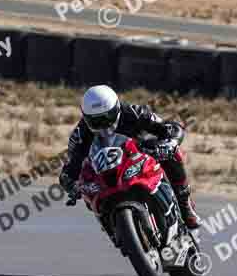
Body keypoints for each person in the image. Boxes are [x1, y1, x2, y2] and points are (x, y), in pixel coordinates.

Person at [58, 84, 202, 229]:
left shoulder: (133, 112)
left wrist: (170, 142)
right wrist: (71, 185)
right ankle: (113, 227)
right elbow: (69, 168)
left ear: (116, 109)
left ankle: (185, 205)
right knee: (88, 188)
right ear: (86, 118)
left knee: (173, 153)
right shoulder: (79, 134)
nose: (103, 125)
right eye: (96, 121)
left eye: (107, 118)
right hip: (105, 171)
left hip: (138, 156)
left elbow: (169, 127)